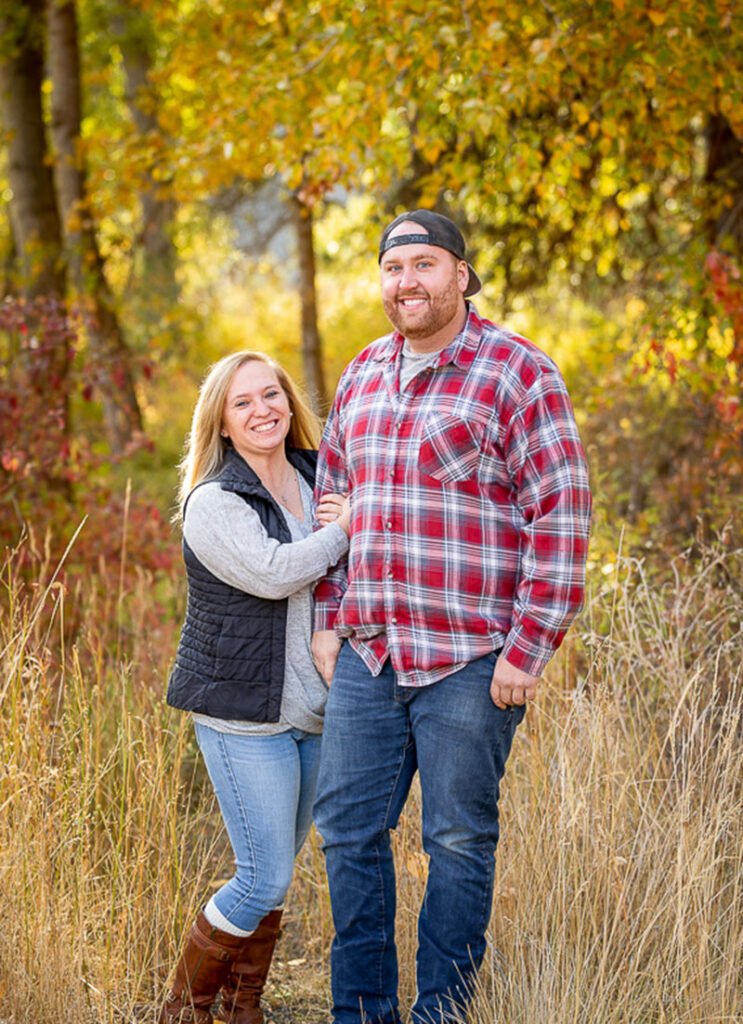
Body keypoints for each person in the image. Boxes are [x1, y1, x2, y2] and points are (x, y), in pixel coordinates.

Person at [311, 210, 592, 1024]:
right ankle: (362, 1012)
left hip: (470, 659)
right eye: (394, 268)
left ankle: (443, 1011)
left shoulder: (516, 372)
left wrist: (527, 650)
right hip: (369, 655)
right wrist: (331, 617)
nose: (408, 282)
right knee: (346, 837)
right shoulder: (362, 373)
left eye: (425, 264)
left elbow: (561, 516)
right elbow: (336, 506)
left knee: (457, 843)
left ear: (461, 275)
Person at [160, 350, 350, 1024]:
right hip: (244, 714)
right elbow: (275, 572)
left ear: (288, 402)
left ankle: (245, 1009)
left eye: (270, 395)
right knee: (262, 875)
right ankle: (183, 1010)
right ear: (222, 423)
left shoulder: (317, 472)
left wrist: (343, 523)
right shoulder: (213, 501)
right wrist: (342, 530)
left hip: (314, 709)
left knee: (276, 875)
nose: (262, 409)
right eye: (243, 402)